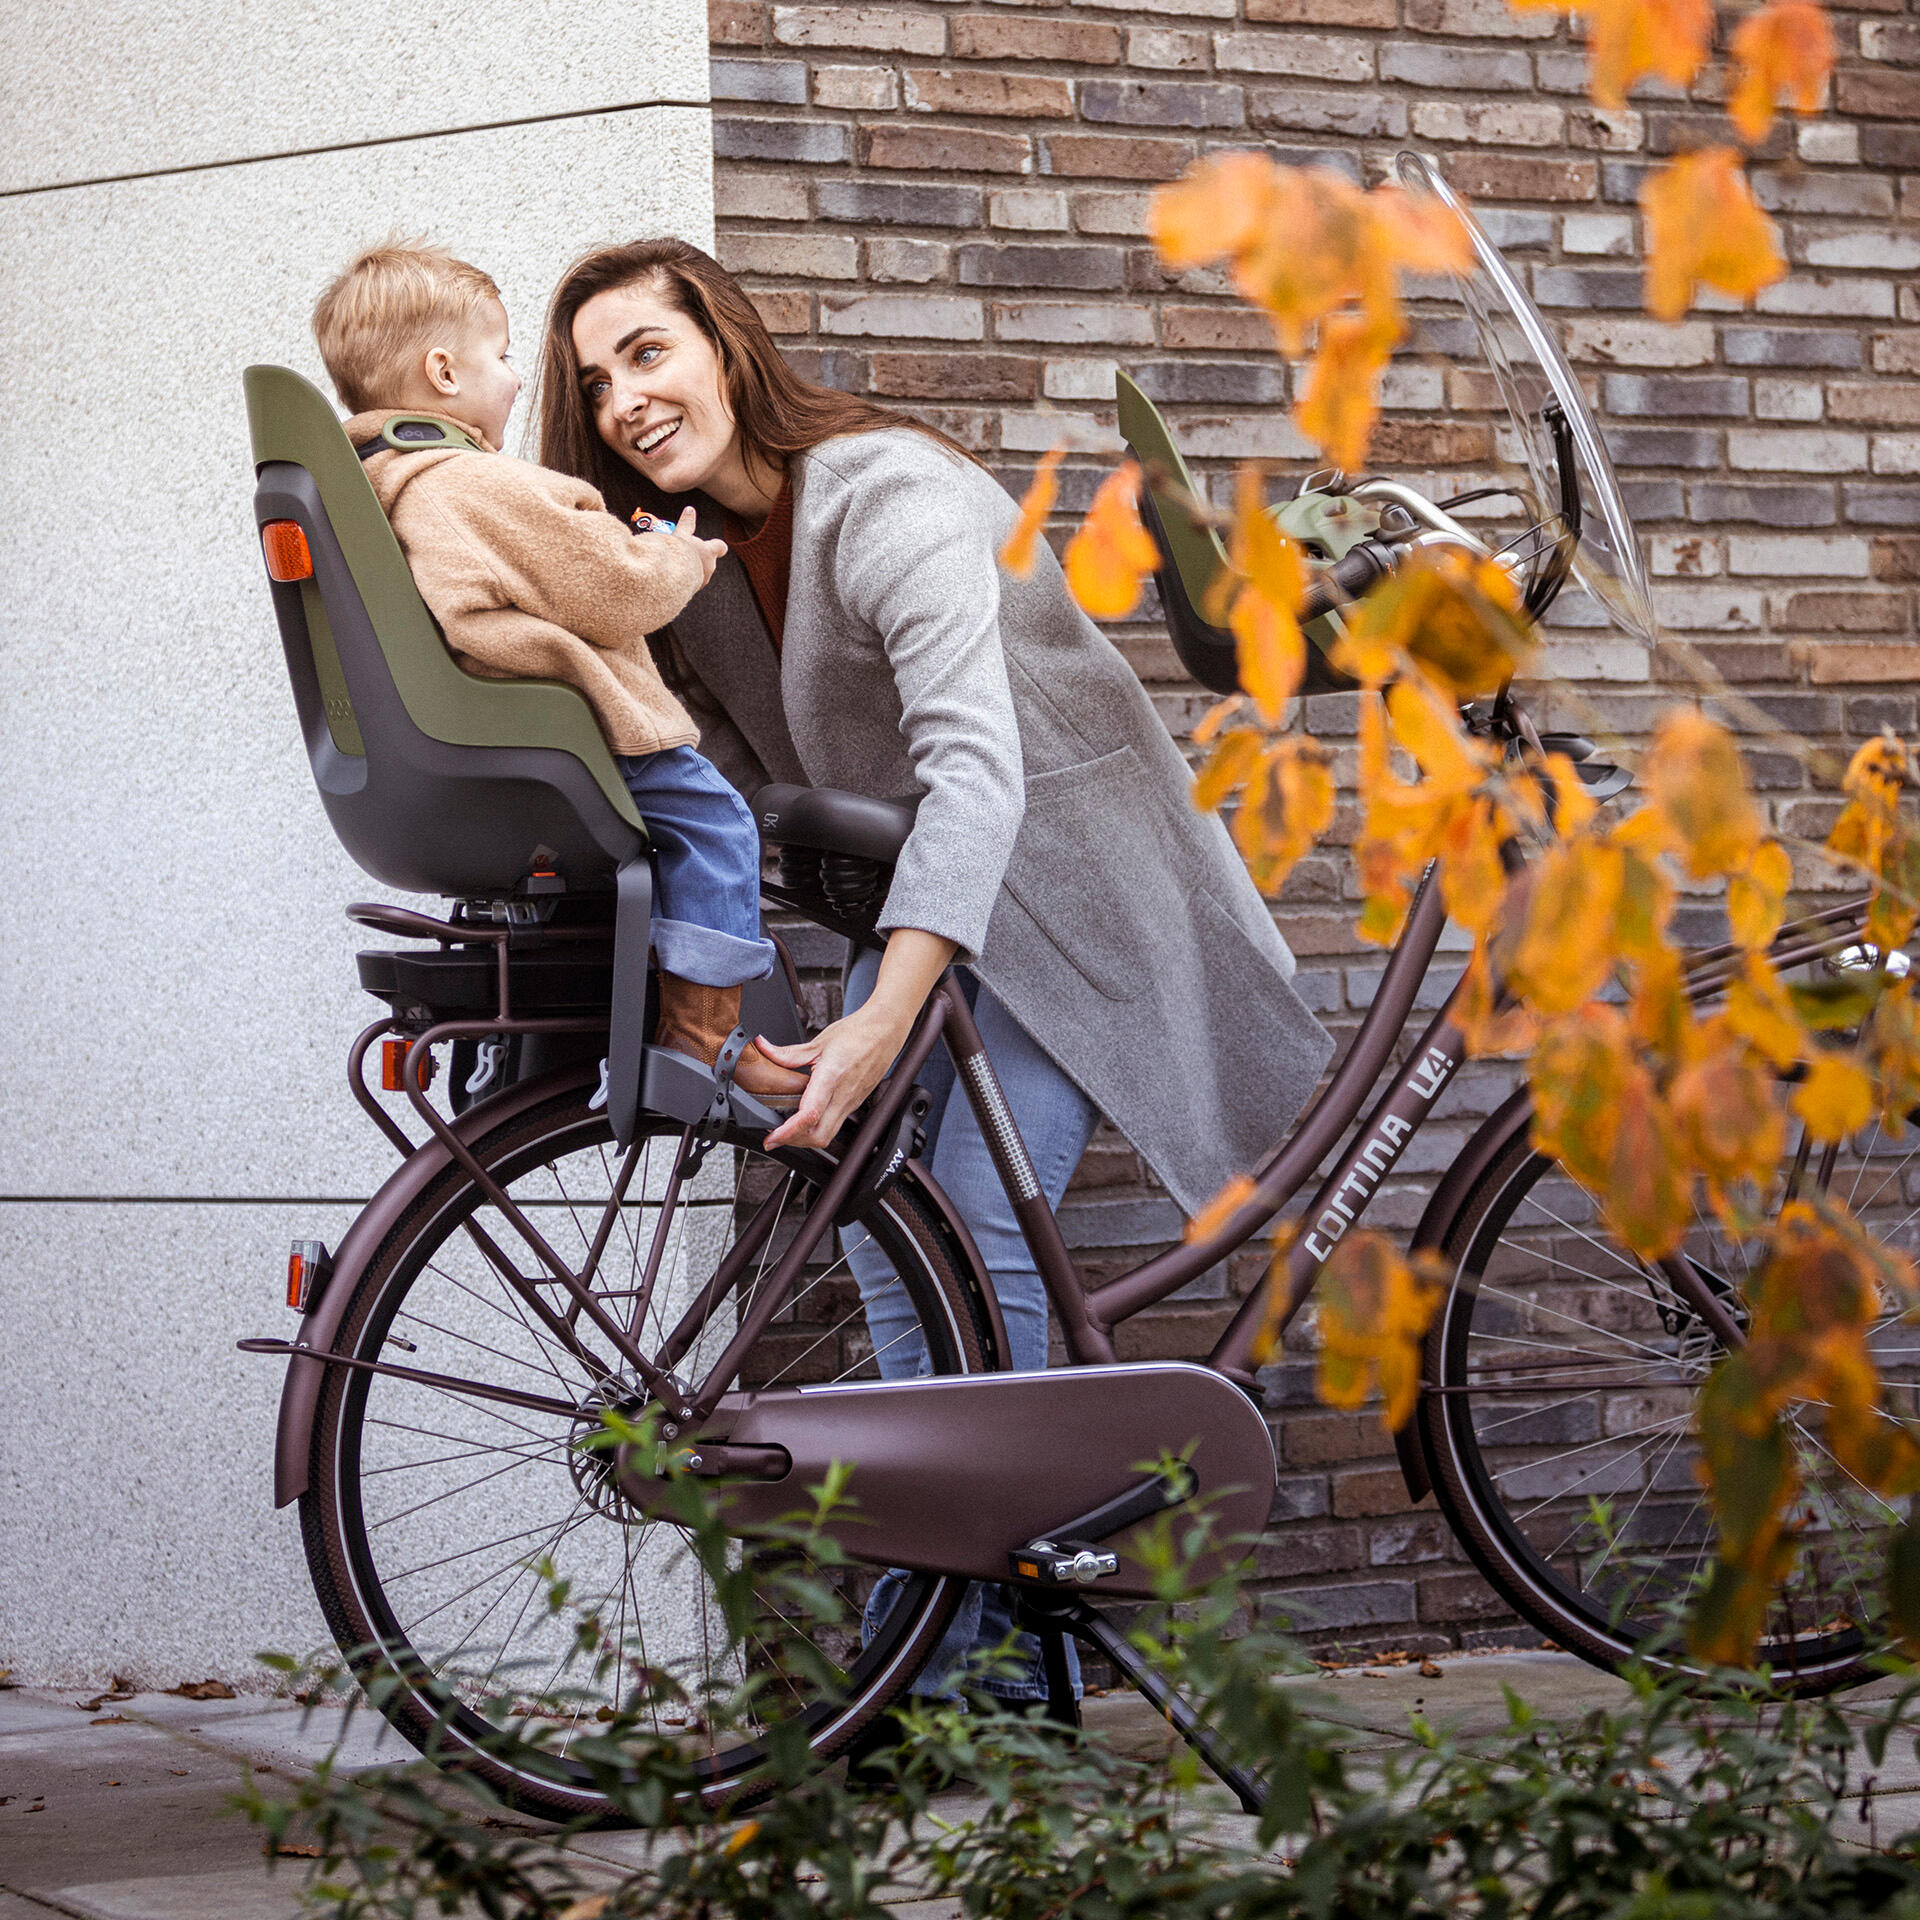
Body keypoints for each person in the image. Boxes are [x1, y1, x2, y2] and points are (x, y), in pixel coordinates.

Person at [535, 238, 1335, 1724]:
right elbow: (722, 792)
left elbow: (977, 776)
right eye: (595, 382)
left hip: (1073, 893)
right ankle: (946, 1660)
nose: (629, 397)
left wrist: (874, 1023)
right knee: (902, 1253)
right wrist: (750, 1002)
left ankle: (983, 1679)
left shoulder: (888, 492)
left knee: (972, 1234)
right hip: (927, 914)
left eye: (650, 351)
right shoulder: (695, 568)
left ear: (724, 343)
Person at [309, 240, 805, 1101]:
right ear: (443, 371)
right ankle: (701, 1036)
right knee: (720, 827)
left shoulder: (387, 483)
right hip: (581, 738)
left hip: (492, 748)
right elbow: (609, 588)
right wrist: (677, 558)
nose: (512, 379)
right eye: (499, 357)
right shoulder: (470, 483)